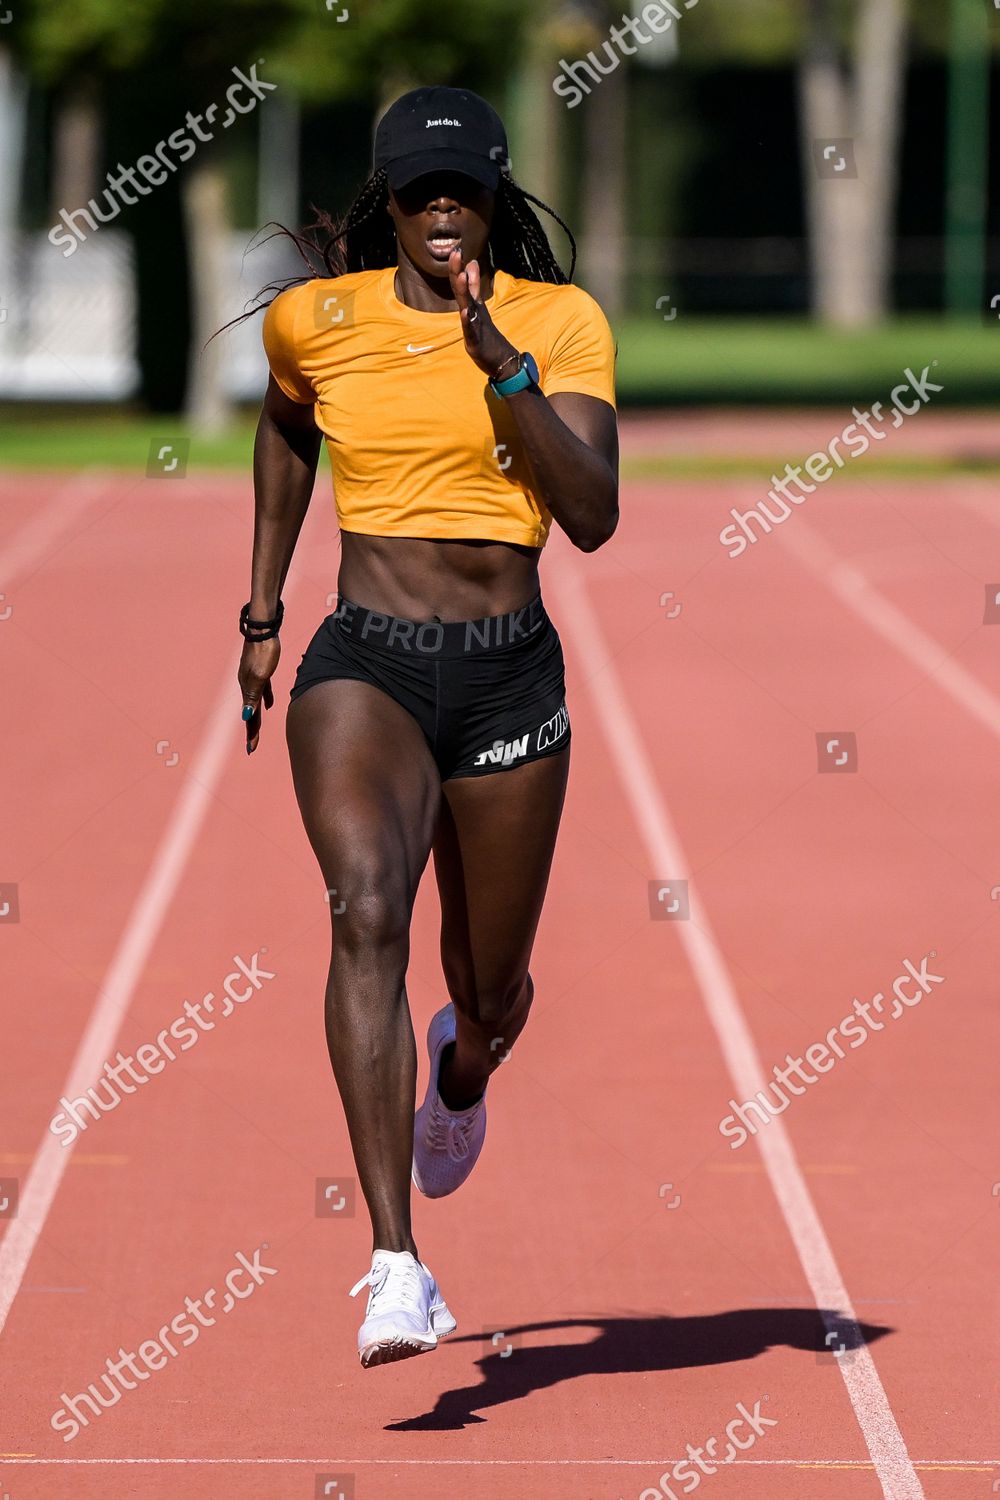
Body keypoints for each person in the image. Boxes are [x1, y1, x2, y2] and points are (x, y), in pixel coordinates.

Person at [238, 85, 618, 1368]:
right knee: (364, 912)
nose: (441, 210)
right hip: (368, 667)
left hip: (508, 680)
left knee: (489, 993)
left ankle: (462, 1070)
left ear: (494, 199)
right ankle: (395, 1264)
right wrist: (261, 611)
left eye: (462, 191)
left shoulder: (559, 323)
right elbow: (285, 430)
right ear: (389, 205)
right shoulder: (318, 321)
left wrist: (502, 368)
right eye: (419, 193)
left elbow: (592, 515)